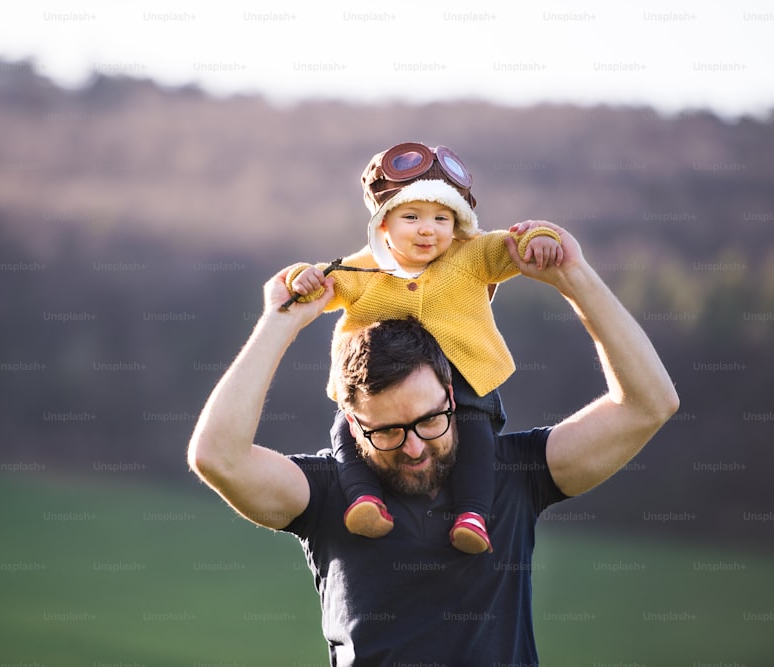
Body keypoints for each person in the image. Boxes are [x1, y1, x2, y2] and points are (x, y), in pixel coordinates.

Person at [187, 222, 679, 666]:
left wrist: (574, 279)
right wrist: (280, 322)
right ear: (352, 422)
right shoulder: (326, 494)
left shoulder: (514, 474)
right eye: (386, 432)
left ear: (450, 395)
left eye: (429, 421)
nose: (415, 447)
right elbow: (217, 457)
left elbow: (649, 404)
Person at [284, 141, 563, 553]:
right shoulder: (364, 266)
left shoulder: (472, 254)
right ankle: (364, 499)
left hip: (464, 373)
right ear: (384, 226)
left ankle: (473, 514)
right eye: (411, 217)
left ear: (458, 223)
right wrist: (299, 279)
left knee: (476, 433)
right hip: (379, 384)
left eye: (441, 217)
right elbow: (321, 282)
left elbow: (513, 246)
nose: (427, 229)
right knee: (349, 427)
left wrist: (539, 237)